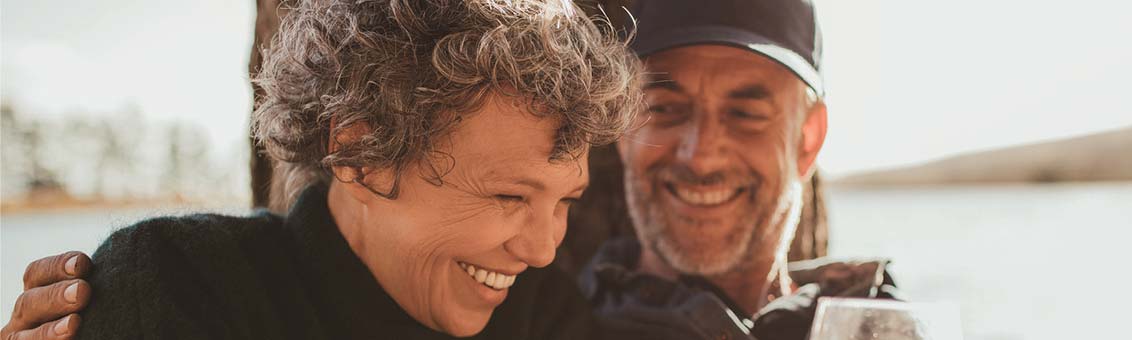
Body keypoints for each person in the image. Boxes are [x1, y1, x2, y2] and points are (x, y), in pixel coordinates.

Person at [6, 1, 898, 340]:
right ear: (357, 152)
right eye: (510, 196)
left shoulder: (538, 314)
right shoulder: (179, 287)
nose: (545, 247)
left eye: (563, 202)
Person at [579, 0, 899, 339]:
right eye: (666, 108)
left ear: (808, 140)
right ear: (624, 132)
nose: (701, 157)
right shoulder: (541, 322)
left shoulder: (885, 327)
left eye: (745, 113)